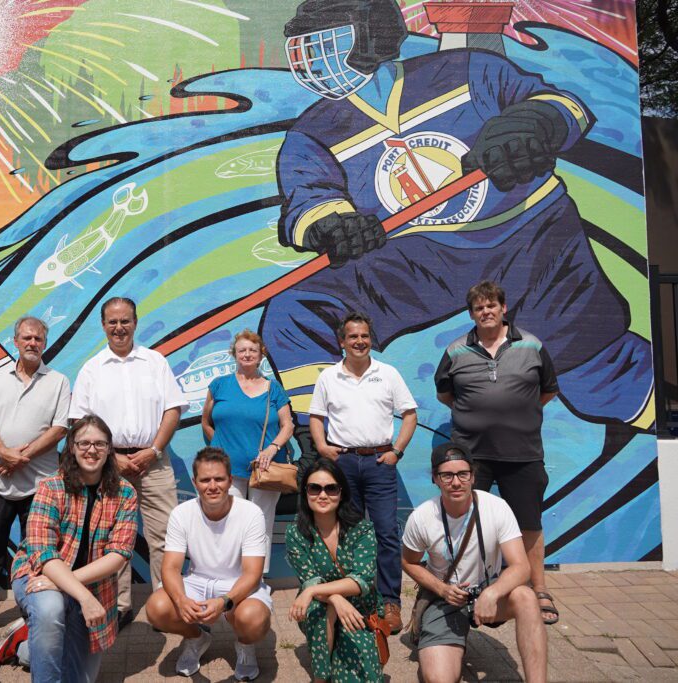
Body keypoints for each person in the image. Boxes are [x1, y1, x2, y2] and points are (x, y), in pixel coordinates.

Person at [261, 0, 652, 470]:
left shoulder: (466, 70)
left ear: (371, 36)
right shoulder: (312, 133)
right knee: (295, 312)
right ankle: (324, 447)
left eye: (326, 42)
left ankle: (654, 412)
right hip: (422, 256)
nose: (310, 59)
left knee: (595, 374)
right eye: (301, 47)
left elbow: (561, 105)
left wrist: (534, 124)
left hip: (531, 236)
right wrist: (332, 224)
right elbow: (309, 195)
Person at [435, 281, 560, 625]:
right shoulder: (456, 350)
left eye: (491, 306)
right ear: (471, 314)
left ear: (503, 308)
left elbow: (547, 390)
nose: (486, 312)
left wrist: (514, 413)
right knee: (465, 522)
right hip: (472, 457)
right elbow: (446, 394)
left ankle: (538, 589)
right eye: (479, 308)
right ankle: (461, 586)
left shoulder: (532, 346)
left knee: (529, 524)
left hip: (523, 453)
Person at [69, 296, 187, 627]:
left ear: (135, 322)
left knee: (164, 535)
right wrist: (112, 457)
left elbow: (173, 409)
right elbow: (80, 421)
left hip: (155, 462)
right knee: (110, 538)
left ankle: (166, 601)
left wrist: (154, 449)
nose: (119, 328)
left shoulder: (155, 362)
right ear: (103, 325)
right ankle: (118, 607)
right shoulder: (92, 369)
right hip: (109, 464)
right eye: (112, 322)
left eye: (125, 321)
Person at [307, 312, 417, 633]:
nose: (359, 342)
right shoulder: (328, 377)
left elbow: (409, 414)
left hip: (379, 462)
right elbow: (316, 418)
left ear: (371, 339)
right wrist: (323, 448)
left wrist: (396, 451)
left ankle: (389, 602)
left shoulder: (388, 373)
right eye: (353, 337)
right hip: (343, 465)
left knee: (385, 533)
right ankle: (354, 599)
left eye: (364, 336)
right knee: (348, 536)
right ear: (341, 342)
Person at [402, 442, 547, 683]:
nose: (456, 482)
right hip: (445, 599)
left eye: (462, 474)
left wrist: (492, 593)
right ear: (435, 479)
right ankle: (449, 640)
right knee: (438, 678)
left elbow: (522, 566)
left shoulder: (496, 507)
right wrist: (441, 589)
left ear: (473, 475)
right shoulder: (422, 517)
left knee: (526, 597)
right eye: (446, 475)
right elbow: (409, 562)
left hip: (489, 593)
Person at [9, 414, 138, 683]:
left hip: (90, 585)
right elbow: (43, 553)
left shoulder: (125, 493)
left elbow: (118, 556)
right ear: (72, 447)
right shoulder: (50, 487)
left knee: (81, 678)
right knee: (50, 609)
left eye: (100, 444)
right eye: (84, 443)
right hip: (38, 576)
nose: (92, 450)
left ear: (109, 449)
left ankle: (25, 647)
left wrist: (73, 588)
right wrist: (82, 596)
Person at [0, 316, 71, 634]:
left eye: (38, 339)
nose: (33, 344)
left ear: (45, 343)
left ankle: (37, 610)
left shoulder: (58, 381)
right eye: (27, 338)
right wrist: (2, 453)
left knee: (40, 549)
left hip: (40, 484)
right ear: (15, 341)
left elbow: (59, 429)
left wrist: (20, 457)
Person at [146, 447, 272, 681]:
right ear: (194, 482)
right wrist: (182, 601)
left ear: (230, 480)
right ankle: (196, 638)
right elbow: (171, 567)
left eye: (219, 479)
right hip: (198, 582)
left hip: (237, 584)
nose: (212, 486)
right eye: (205, 480)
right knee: (157, 608)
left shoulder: (251, 513)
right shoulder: (181, 513)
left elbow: (253, 573)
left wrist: (224, 602)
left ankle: (245, 645)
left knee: (253, 619)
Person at [202, 329, 294, 572]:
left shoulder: (273, 388)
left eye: (252, 350)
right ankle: (231, 575)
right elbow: (206, 422)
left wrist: (272, 449)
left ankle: (257, 578)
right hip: (227, 470)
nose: (247, 354)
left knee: (261, 522)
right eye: (242, 350)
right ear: (234, 354)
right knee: (230, 521)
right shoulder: (219, 385)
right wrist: (219, 447)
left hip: (264, 469)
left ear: (260, 355)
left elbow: (288, 425)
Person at [286, 458, 383, 683]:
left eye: (331, 488)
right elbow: (310, 580)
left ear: (341, 493)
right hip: (319, 606)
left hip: (358, 608)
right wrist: (336, 599)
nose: (322, 495)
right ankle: (320, 678)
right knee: (322, 611)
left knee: (363, 674)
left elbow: (361, 581)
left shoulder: (362, 529)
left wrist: (311, 591)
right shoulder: (296, 533)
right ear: (305, 492)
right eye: (314, 488)